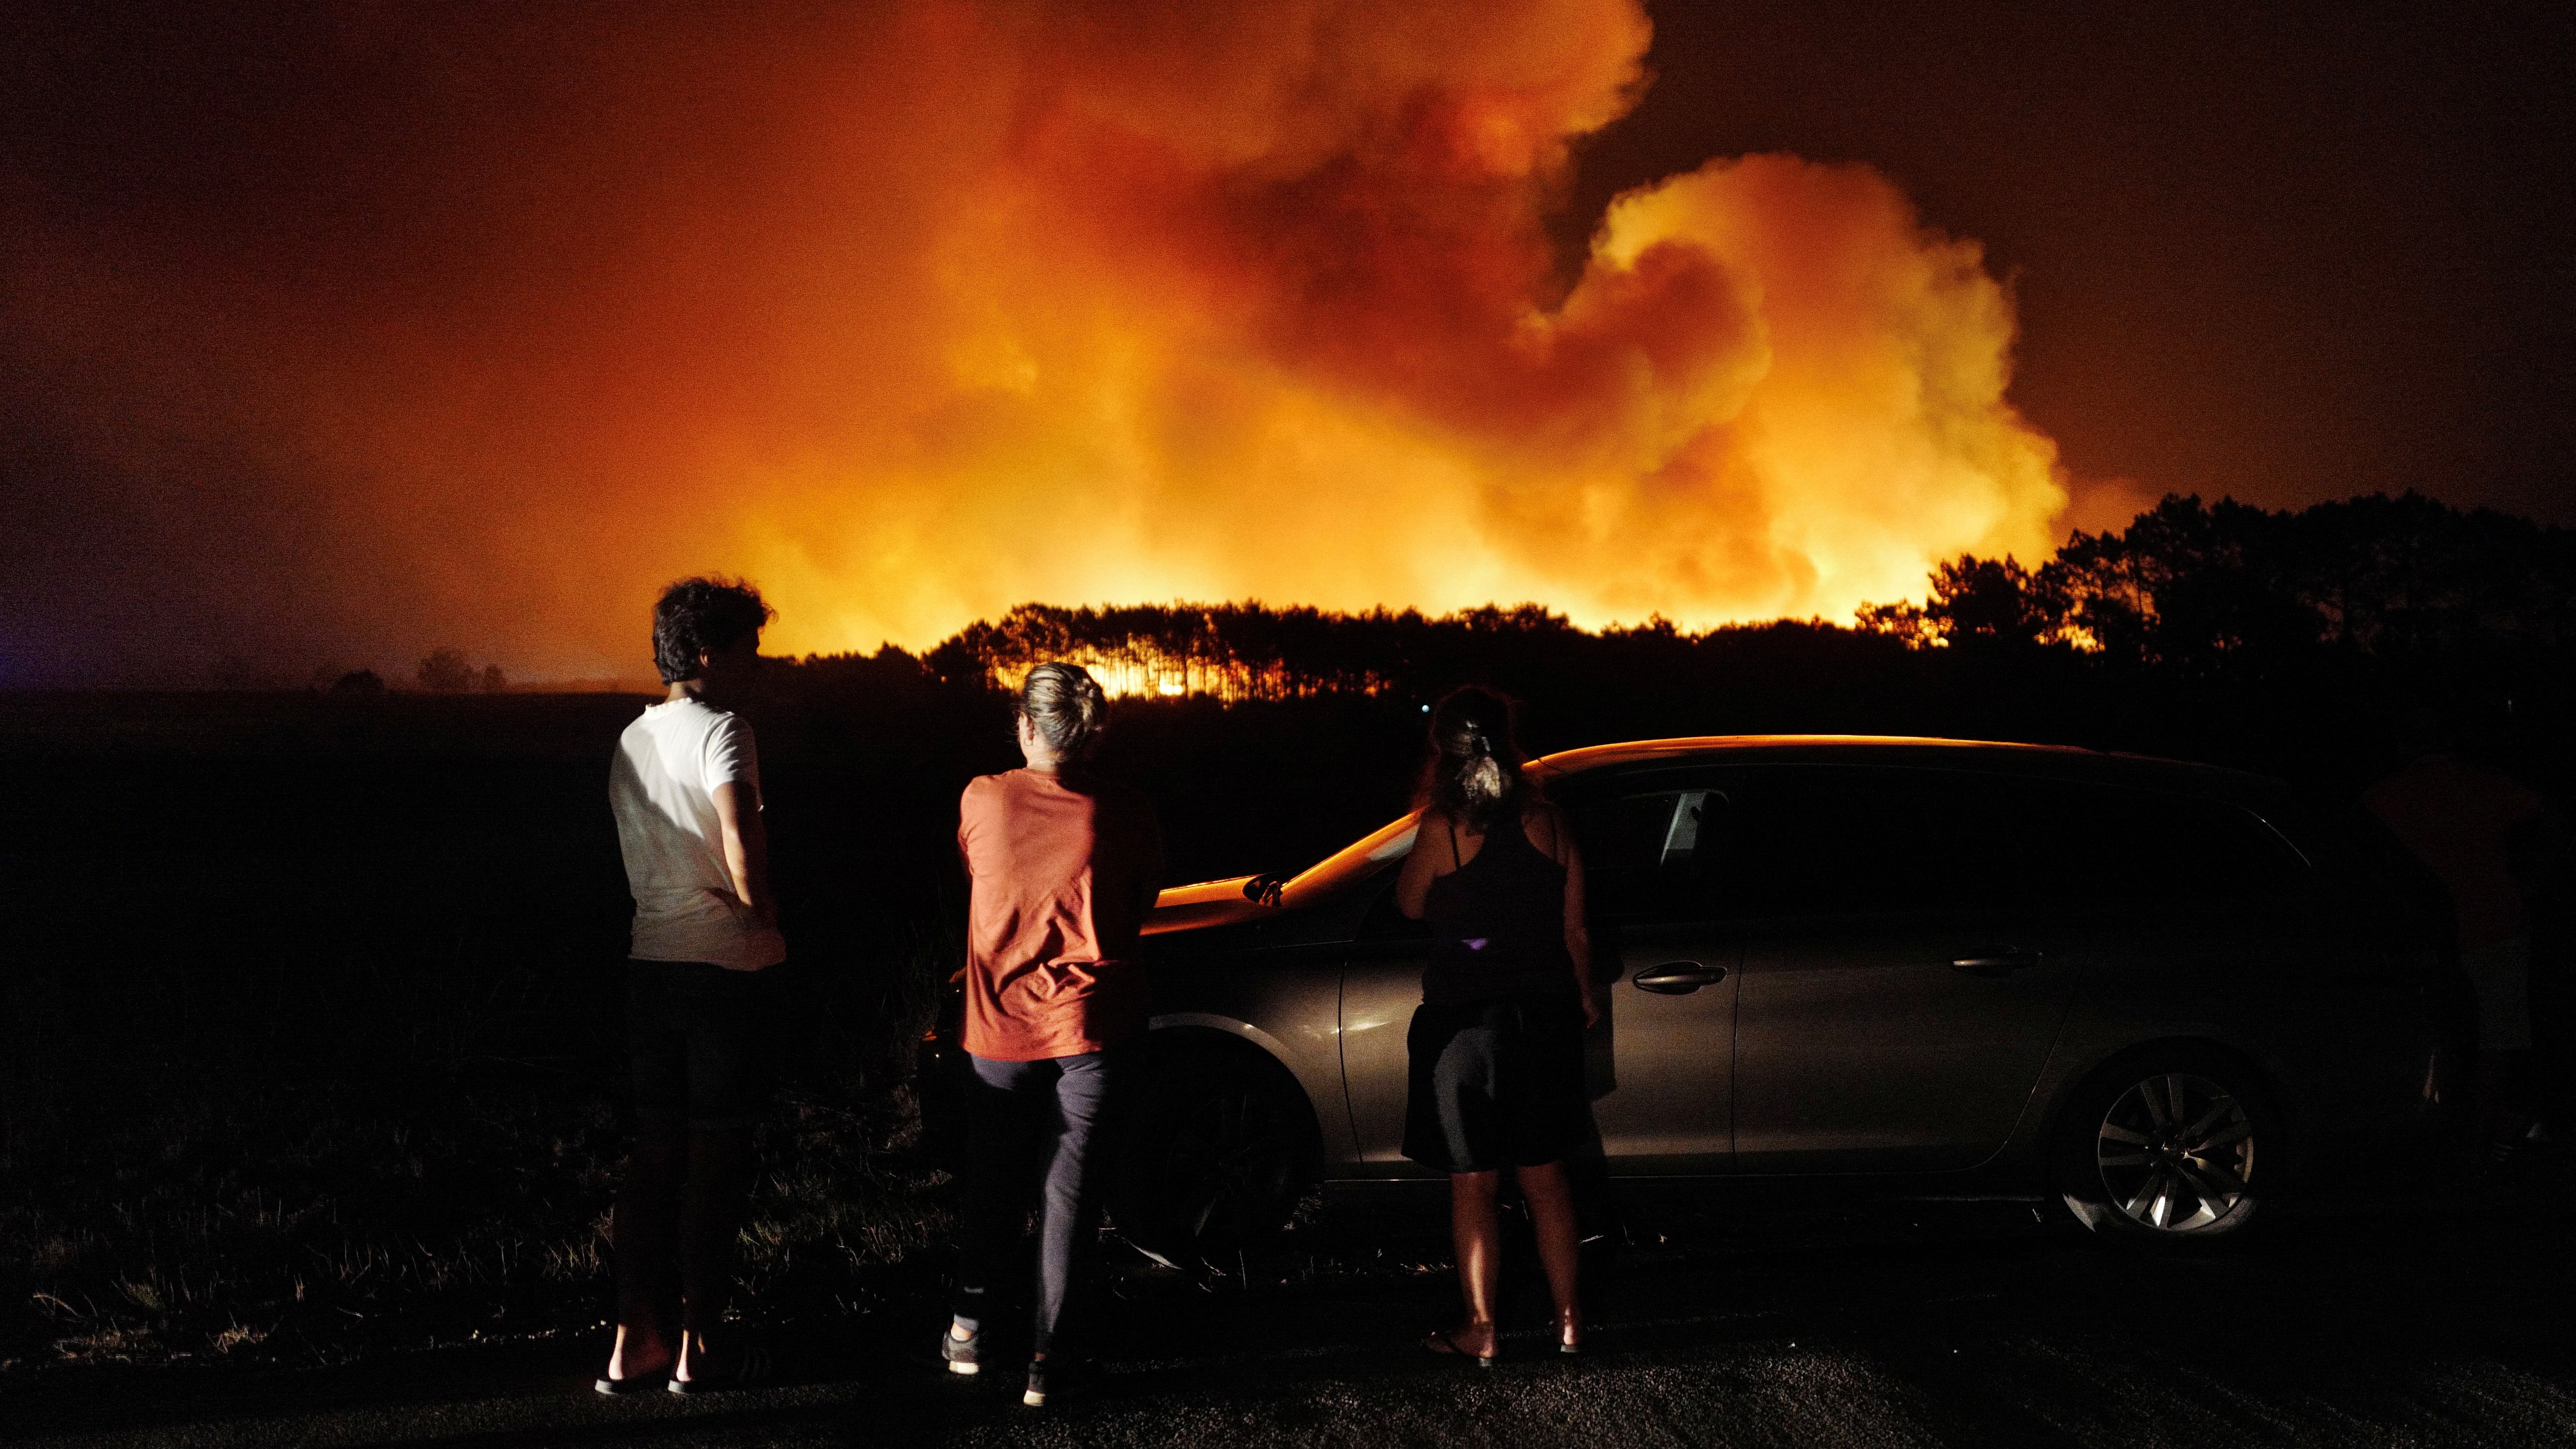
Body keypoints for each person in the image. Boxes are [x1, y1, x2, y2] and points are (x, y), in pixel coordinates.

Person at [943, 663, 1164, 1407]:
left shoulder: (984, 797)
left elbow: (980, 870)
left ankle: (970, 1332)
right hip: (1091, 1025)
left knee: (993, 1179)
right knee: (1070, 1195)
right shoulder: (1128, 808)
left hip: (999, 1025)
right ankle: (1050, 1357)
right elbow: (1144, 902)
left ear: (1029, 727)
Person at [596, 577, 785, 1395]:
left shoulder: (630, 739)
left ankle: (631, 1339)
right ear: (708, 651)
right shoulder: (727, 731)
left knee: (654, 1155)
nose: (757, 662)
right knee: (717, 1158)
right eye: (748, 646)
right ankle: (699, 1347)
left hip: (650, 967)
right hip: (722, 971)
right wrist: (768, 920)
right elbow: (742, 853)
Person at [1394, 687, 1599, 1366]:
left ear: (1442, 751)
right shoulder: (1550, 821)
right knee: (1547, 1179)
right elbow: (1575, 932)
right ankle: (1568, 1323)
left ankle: (1482, 1329)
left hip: (1466, 1029)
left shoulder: (1445, 830)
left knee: (1475, 1183)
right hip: (1542, 1023)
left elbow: (1411, 905)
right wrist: (1583, 1000)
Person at [2364, 739, 2558, 1171]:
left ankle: (2455, 1141)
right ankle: (2475, 1142)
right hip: (2493, 927)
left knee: (2444, 1039)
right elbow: (2546, 816)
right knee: (2495, 1041)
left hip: (2428, 936)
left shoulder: (2385, 795)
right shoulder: (2484, 786)